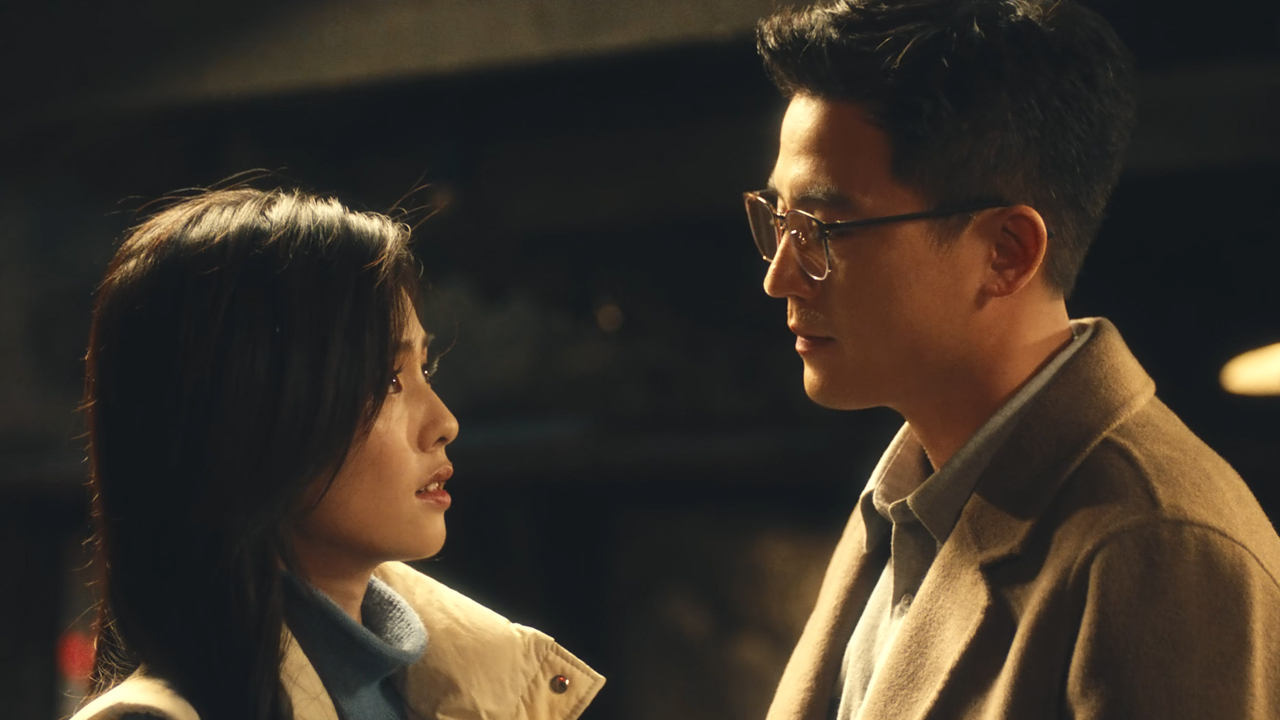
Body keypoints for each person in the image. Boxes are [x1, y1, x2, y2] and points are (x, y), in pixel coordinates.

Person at [745, 1, 1280, 718]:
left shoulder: (1157, 549)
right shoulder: (906, 500)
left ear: (1006, 253)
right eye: (779, 220)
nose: (779, 276)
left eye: (822, 229)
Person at [72, 187, 604, 720]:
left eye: (425, 369)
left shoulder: (465, 686)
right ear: (247, 413)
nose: (444, 424)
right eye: (387, 380)